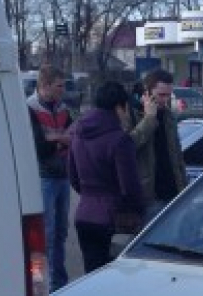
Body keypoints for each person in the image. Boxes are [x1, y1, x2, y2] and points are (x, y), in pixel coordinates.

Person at [68, 81, 144, 273]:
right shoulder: (119, 140)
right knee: (111, 279)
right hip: (112, 218)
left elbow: (73, 176)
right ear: (119, 107)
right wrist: (139, 210)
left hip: (83, 214)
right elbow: (130, 186)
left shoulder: (78, 133)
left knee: (91, 276)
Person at [27, 63, 73, 290]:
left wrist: (53, 137)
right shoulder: (29, 109)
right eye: (59, 86)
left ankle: (58, 281)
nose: (62, 90)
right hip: (43, 176)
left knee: (60, 232)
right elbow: (37, 147)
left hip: (62, 175)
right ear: (45, 85)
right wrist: (60, 140)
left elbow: (74, 136)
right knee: (43, 234)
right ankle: (39, 284)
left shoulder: (63, 108)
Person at [128, 70, 188, 219]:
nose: (165, 99)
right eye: (161, 95)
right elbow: (129, 145)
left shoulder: (168, 115)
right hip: (150, 194)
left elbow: (177, 154)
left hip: (173, 190)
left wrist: (184, 185)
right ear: (147, 92)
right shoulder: (132, 114)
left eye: (168, 95)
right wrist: (149, 119)